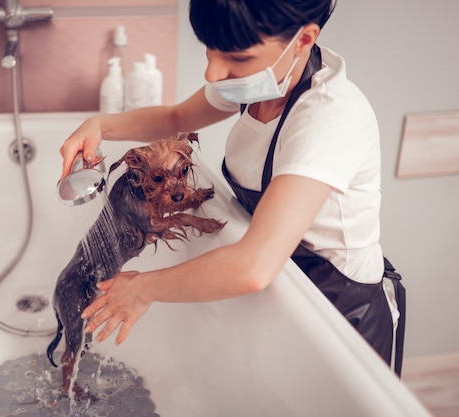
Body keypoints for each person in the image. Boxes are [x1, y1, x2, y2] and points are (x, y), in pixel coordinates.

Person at [59, 0, 405, 374]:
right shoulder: (260, 82)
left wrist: (143, 289)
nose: (213, 72)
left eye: (237, 57)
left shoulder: (328, 116)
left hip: (341, 313)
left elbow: (254, 266)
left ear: (303, 39)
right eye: (209, 50)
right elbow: (177, 116)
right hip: (286, 286)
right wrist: (100, 126)